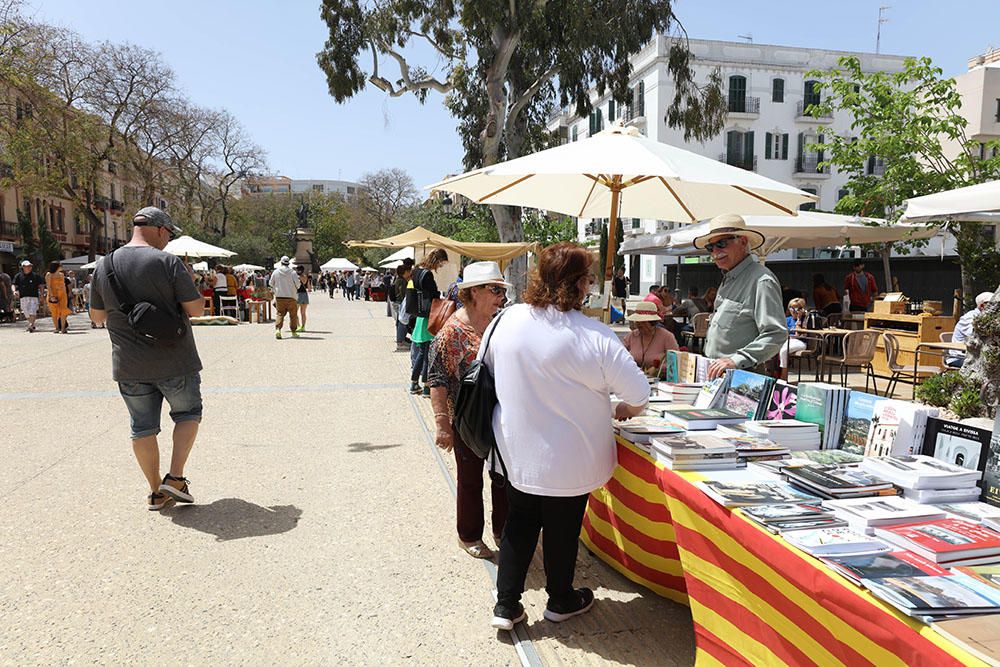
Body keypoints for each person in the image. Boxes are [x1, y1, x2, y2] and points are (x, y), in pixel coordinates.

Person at [483, 242, 649, 631]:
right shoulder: (594, 334)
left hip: (516, 450)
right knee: (563, 527)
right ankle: (560, 598)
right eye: (589, 279)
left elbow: (487, 367)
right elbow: (638, 394)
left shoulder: (506, 320)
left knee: (519, 524)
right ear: (578, 284)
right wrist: (625, 409)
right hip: (571, 458)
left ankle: (506, 606)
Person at [89, 207, 204, 511]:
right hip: (176, 359)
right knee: (189, 413)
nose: (168, 240)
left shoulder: (104, 266)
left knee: (141, 427)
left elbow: (96, 316)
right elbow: (196, 310)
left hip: (128, 363)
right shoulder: (168, 262)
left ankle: (155, 491)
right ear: (158, 229)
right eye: (169, 233)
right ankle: (176, 478)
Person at [427, 262, 511, 560]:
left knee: (505, 477)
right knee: (471, 478)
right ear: (473, 292)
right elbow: (436, 379)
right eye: (495, 290)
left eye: (502, 290)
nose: (501, 296)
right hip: (467, 418)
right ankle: (469, 535)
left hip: (501, 415)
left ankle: (505, 531)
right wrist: (442, 425)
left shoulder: (501, 323)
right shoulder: (451, 332)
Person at [697, 214, 787, 380]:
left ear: (743, 242)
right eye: (711, 248)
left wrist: (736, 360)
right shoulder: (730, 278)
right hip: (717, 376)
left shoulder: (761, 280)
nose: (716, 252)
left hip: (742, 378)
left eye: (721, 244)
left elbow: (776, 334)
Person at [407, 248, 449, 395]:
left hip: (419, 315)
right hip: (428, 317)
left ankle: (413, 383)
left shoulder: (417, 270)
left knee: (421, 352)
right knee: (428, 354)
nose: (440, 267)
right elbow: (433, 294)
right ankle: (426, 386)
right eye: (441, 263)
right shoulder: (428, 274)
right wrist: (440, 295)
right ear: (437, 260)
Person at [622, 301, 679, 375]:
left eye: (643, 323)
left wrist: (658, 369)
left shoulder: (667, 337)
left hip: (659, 379)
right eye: (637, 322)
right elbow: (620, 356)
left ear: (652, 323)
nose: (638, 325)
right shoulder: (631, 336)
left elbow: (675, 362)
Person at [948, 291, 995, 367]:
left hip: (977, 356)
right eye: (992, 304)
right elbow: (975, 337)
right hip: (960, 357)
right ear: (982, 306)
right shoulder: (969, 318)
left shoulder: (987, 318)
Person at [268, 256, 300, 339]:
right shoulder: (293, 272)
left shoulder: (276, 272)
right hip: (291, 297)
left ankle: (278, 330)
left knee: (280, 314)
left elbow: (270, 283)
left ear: (281, 262)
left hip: (279, 297)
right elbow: (298, 285)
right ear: (288, 263)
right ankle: (293, 332)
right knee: (293, 315)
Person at [779, 298, 810, 380]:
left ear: (801, 309)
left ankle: (784, 376)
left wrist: (799, 319)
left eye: (796, 308)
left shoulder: (805, 319)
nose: (793, 311)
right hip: (788, 340)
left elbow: (799, 334)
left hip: (801, 342)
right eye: (791, 308)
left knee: (783, 351)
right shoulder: (787, 319)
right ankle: (773, 373)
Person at [12, 259, 45, 332]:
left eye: (30, 266)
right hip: (23, 297)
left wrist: (42, 294)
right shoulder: (18, 276)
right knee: (26, 311)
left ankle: (30, 325)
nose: (29, 267)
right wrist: (14, 291)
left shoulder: (35, 276)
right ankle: (31, 324)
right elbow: (13, 284)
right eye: (27, 266)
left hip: (33, 296)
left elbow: (41, 285)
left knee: (33, 311)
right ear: (23, 267)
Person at [45, 261, 71, 334]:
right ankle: (56, 328)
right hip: (52, 294)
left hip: (62, 294)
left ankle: (63, 328)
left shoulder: (62, 275)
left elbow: (63, 285)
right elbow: (48, 286)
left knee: (63, 311)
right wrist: (52, 296)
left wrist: (66, 293)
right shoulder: (49, 274)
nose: (62, 267)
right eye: (60, 265)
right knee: (54, 312)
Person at [391, 264, 412, 351]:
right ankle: (400, 342)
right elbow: (404, 294)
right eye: (408, 271)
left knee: (400, 322)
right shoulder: (402, 281)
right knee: (402, 323)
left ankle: (401, 339)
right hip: (400, 303)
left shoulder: (398, 279)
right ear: (405, 272)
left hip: (397, 302)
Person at [295, 264, 310, 332]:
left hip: (298, 294)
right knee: (303, 313)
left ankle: (298, 326)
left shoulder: (297, 277)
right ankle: (303, 326)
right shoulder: (306, 277)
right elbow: (309, 288)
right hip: (305, 294)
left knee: (295, 312)